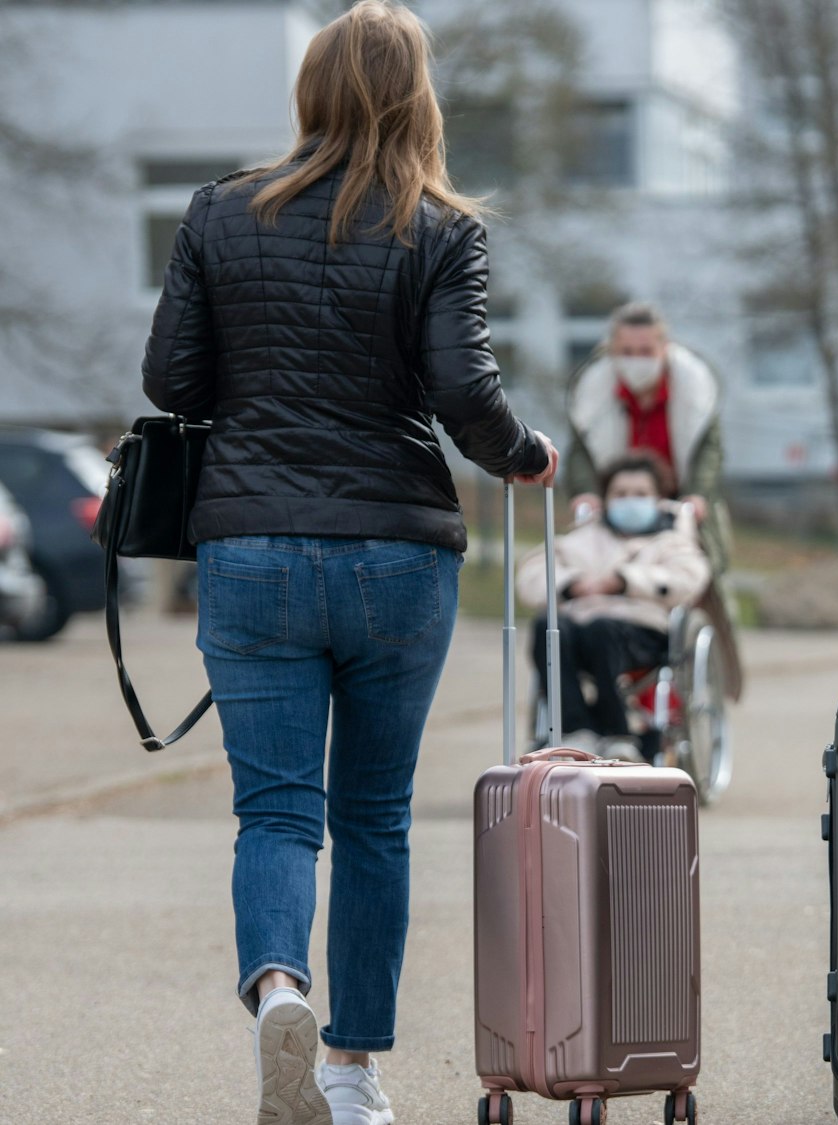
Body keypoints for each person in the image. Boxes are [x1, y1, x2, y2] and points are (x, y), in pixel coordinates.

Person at [137, 4, 558, 1124]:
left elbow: (172, 382)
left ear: (310, 92)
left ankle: (281, 986)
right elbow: (464, 391)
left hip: (252, 548)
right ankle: (352, 1072)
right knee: (374, 818)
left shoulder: (218, 213)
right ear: (417, 97)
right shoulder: (441, 226)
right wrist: (524, 456)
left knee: (276, 814)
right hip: (394, 555)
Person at [515, 451, 712, 760]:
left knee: (601, 630)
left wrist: (625, 581)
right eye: (620, 494)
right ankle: (576, 731)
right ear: (605, 499)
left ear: (658, 498)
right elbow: (531, 573)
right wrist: (570, 584)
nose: (629, 501)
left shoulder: (672, 541)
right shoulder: (584, 537)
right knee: (547, 628)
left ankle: (620, 732)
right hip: (579, 626)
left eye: (640, 494)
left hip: (642, 631)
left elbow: (689, 578)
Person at [568, 302, 729, 568]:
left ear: (664, 348)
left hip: (680, 506)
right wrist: (586, 493)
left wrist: (698, 494)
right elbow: (581, 451)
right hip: (617, 508)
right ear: (612, 350)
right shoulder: (590, 395)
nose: (636, 360)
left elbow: (709, 450)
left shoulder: (697, 392)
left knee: (704, 574)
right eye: (627, 351)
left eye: (645, 351)